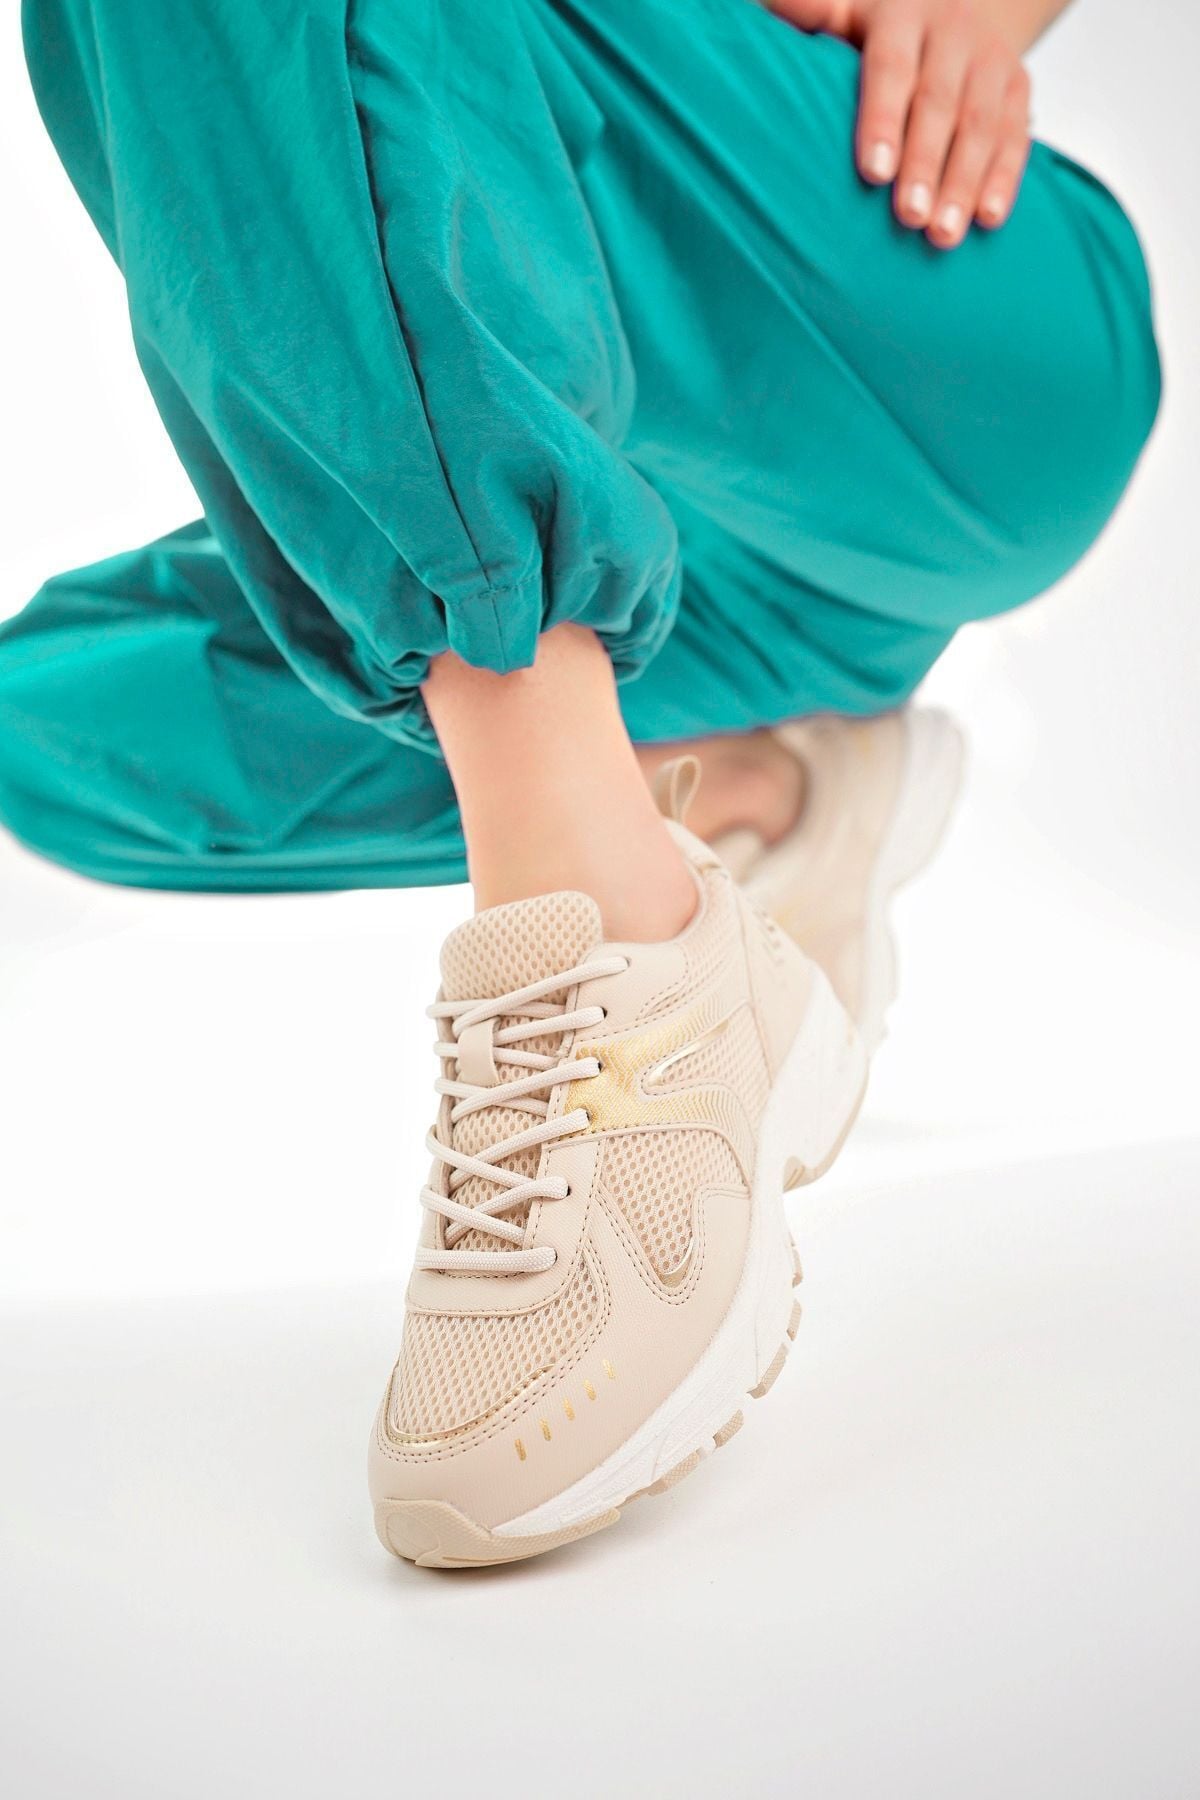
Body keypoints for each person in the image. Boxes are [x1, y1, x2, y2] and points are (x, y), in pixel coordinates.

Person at [3, 0, 1159, 1567]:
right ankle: (740, 789)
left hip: (908, 309)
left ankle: (608, 920)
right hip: (670, 565)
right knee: (53, 737)